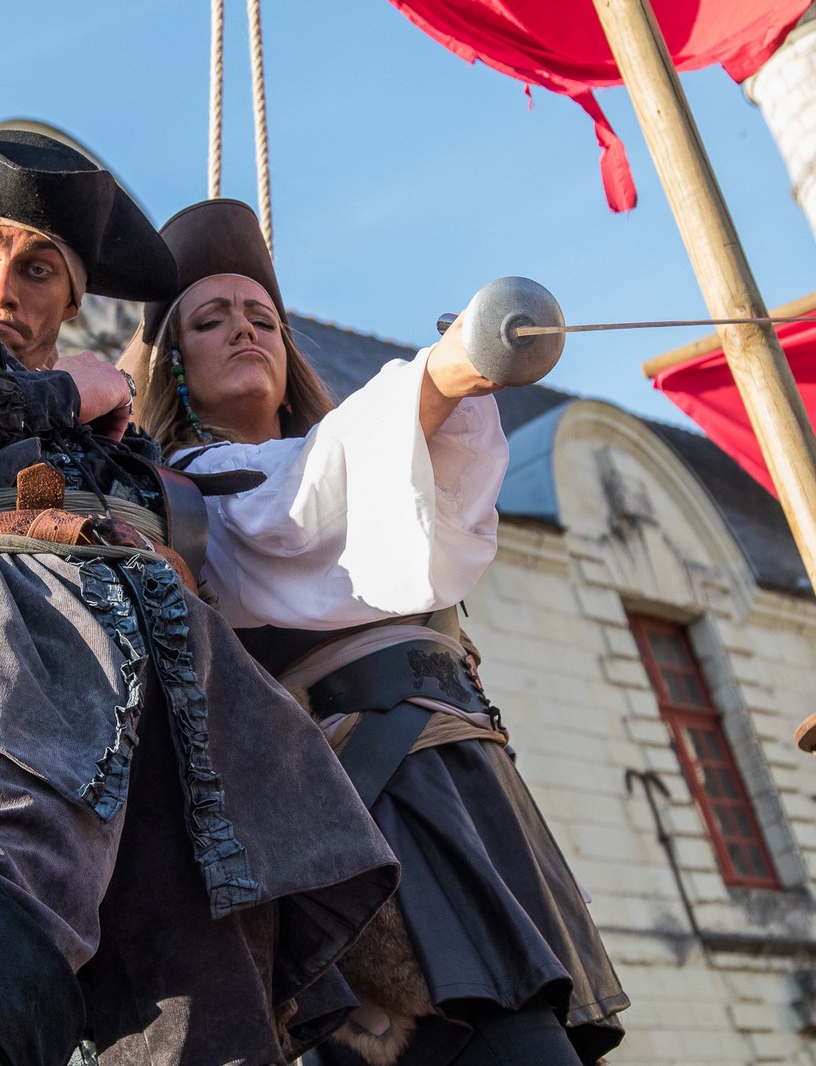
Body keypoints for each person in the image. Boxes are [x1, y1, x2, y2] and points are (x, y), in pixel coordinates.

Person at [0, 135, 398, 1066]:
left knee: (207, 1022)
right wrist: (57, 392)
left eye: (38, 268)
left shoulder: (130, 446)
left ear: (71, 300)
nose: (2, 288)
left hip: (185, 718)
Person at [121, 199, 629, 1066]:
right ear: (174, 361)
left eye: (263, 319)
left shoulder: (367, 463)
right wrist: (448, 370)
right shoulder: (190, 492)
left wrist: (451, 385)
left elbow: (401, 481)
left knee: (534, 1036)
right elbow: (302, 497)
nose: (245, 331)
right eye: (211, 320)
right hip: (359, 799)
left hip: (467, 782)